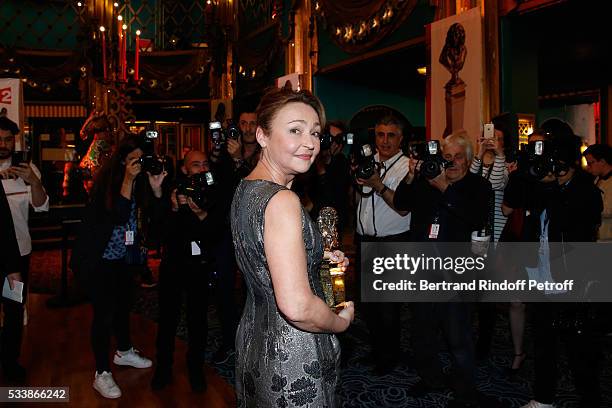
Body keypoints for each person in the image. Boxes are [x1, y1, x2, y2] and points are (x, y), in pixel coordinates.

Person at [230, 87, 354, 407]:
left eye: (315, 133)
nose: (311, 142)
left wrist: (315, 259)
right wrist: (340, 321)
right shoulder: (282, 200)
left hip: (254, 343)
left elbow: (263, 263)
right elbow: (297, 307)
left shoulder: (246, 189)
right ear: (262, 135)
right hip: (293, 357)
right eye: (295, 130)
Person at [394, 131, 493, 408]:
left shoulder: (478, 187)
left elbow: (474, 218)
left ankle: (465, 393)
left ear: (470, 160)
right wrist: (412, 175)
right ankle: (430, 378)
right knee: (422, 331)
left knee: (457, 336)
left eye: (458, 157)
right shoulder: (427, 180)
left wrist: (444, 189)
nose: (451, 163)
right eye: (446, 157)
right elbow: (401, 203)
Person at [70, 134, 166, 399]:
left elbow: (157, 222)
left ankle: (124, 351)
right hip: (99, 260)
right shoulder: (108, 185)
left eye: (141, 160)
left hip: (126, 260)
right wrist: (128, 178)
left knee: (123, 308)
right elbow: (119, 216)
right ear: (122, 161)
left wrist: (157, 189)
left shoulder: (143, 182)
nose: (137, 165)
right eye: (132, 160)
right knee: (103, 316)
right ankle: (101, 373)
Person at [520, 132, 603, 408]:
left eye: (558, 164)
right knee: (543, 344)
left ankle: (590, 399)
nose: (554, 170)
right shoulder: (542, 186)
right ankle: (543, 398)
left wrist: (550, 188)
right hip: (541, 276)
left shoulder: (587, 190)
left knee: (579, 349)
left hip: (572, 280)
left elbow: (577, 222)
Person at [151, 150, 225, 392]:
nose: (202, 169)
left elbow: (217, 233)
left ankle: (195, 370)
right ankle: (163, 370)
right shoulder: (173, 189)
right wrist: (173, 208)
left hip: (199, 266)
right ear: (184, 169)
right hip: (173, 264)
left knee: (198, 322)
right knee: (168, 321)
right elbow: (158, 234)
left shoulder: (213, 191)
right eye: (196, 165)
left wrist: (201, 214)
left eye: (205, 164)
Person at [354, 114, 411, 374]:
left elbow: (401, 207)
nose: (385, 141)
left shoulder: (407, 167)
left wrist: (377, 185)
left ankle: (390, 357)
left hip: (393, 243)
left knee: (388, 307)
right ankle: (377, 352)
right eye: (380, 134)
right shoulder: (368, 163)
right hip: (366, 239)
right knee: (369, 305)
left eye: (391, 135)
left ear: (400, 139)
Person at [0, 116, 49, 383]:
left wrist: (34, 181)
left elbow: (41, 206)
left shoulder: (26, 169)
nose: (3, 144)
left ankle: (10, 361)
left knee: (15, 309)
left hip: (17, 256)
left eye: (8, 139)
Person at [583, 143, 612, 241]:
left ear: (603, 161)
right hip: (598, 237)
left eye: (591, 163)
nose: (588, 167)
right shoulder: (596, 179)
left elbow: (608, 209)